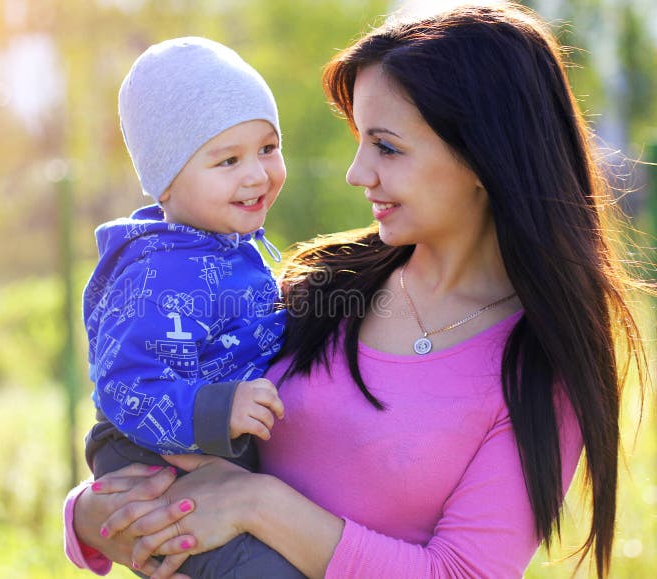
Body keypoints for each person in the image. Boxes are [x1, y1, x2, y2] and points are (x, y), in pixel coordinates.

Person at [66, 3, 651, 578]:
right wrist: (92, 515)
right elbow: (150, 403)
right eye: (360, 140)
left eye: (387, 147)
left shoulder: (537, 369)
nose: (356, 172)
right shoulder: (323, 283)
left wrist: (259, 503)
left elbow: (464, 573)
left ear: (484, 155)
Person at [76, 36, 304, 577]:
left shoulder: (229, 243)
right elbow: (127, 385)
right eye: (228, 159)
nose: (256, 174)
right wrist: (217, 409)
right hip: (149, 459)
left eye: (267, 149)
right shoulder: (155, 272)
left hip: (215, 457)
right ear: (166, 181)